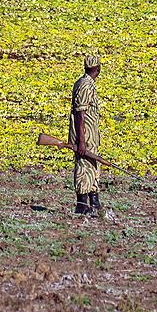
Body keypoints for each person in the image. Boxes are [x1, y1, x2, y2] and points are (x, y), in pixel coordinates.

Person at [71, 52, 102, 215]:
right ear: (97, 68)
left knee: (92, 166)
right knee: (84, 167)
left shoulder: (87, 83)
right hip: (85, 135)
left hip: (91, 134)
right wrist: (81, 141)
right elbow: (80, 113)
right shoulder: (85, 85)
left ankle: (94, 201)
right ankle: (82, 204)